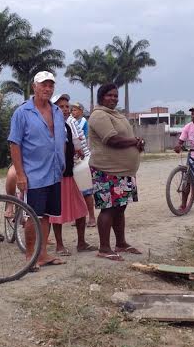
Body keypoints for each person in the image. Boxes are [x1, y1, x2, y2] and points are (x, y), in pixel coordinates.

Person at [8, 71, 66, 267]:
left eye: (50, 85)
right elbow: (14, 144)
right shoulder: (22, 112)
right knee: (32, 215)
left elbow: (61, 140)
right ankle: (30, 256)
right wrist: (20, 174)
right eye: (43, 85)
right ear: (34, 86)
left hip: (54, 172)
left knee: (47, 214)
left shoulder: (57, 112)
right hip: (33, 174)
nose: (47, 89)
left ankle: (43, 254)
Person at [88, 83, 144, 261]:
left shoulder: (117, 115)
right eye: (109, 95)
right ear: (101, 97)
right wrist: (134, 142)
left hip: (123, 172)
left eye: (115, 95)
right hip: (107, 171)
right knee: (108, 209)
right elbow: (111, 139)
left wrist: (137, 143)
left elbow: (125, 138)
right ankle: (104, 248)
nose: (113, 98)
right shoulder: (99, 115)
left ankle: (121, 243)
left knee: (120, 208)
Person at [49, 93, 96, 255]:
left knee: (81, 208)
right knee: (57, 212)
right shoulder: (50, 126)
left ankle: (81, 243)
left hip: (71, 174)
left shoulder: (68, 126)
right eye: (60, 106)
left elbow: (75, 147)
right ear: (53, 109)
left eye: (66, 106)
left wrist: (79, 153)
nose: (65, 109)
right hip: (57, 176)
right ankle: (59, 246)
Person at [70, 101, 96, 226]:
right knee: (76, 191)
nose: (72, 112)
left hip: (82, 158)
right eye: (72, 110)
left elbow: (80, 139)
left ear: (81, 111)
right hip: (72, 160)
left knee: (86, 190)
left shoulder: (81, 122)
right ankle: (79, 217)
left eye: (75, 110)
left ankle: (91, 217)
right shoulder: (68, 121)